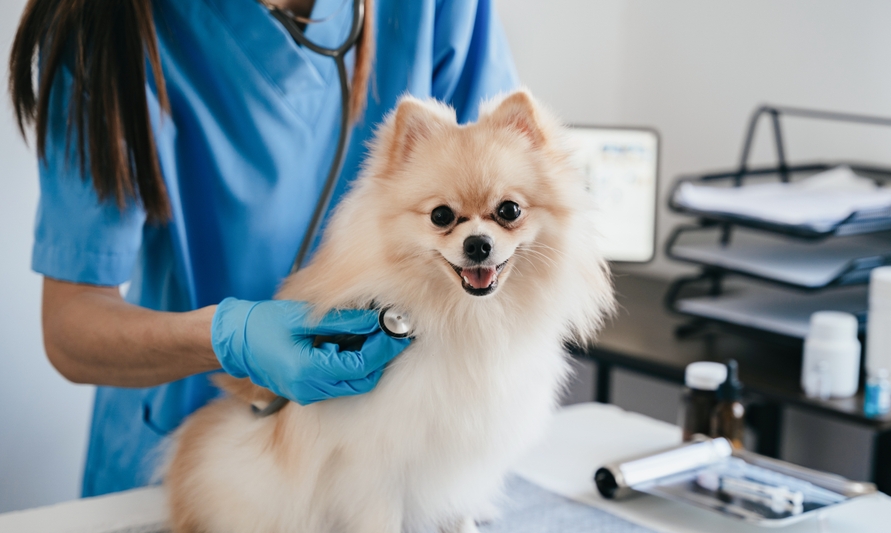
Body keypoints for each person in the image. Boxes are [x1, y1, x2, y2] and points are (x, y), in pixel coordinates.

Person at [8, 0, 518, 497]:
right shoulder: (100, 23)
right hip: (187, 455)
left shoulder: (442, 8)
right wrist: (230, 338)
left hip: (391, 453)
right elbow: (70, 327)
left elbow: (505, 191)